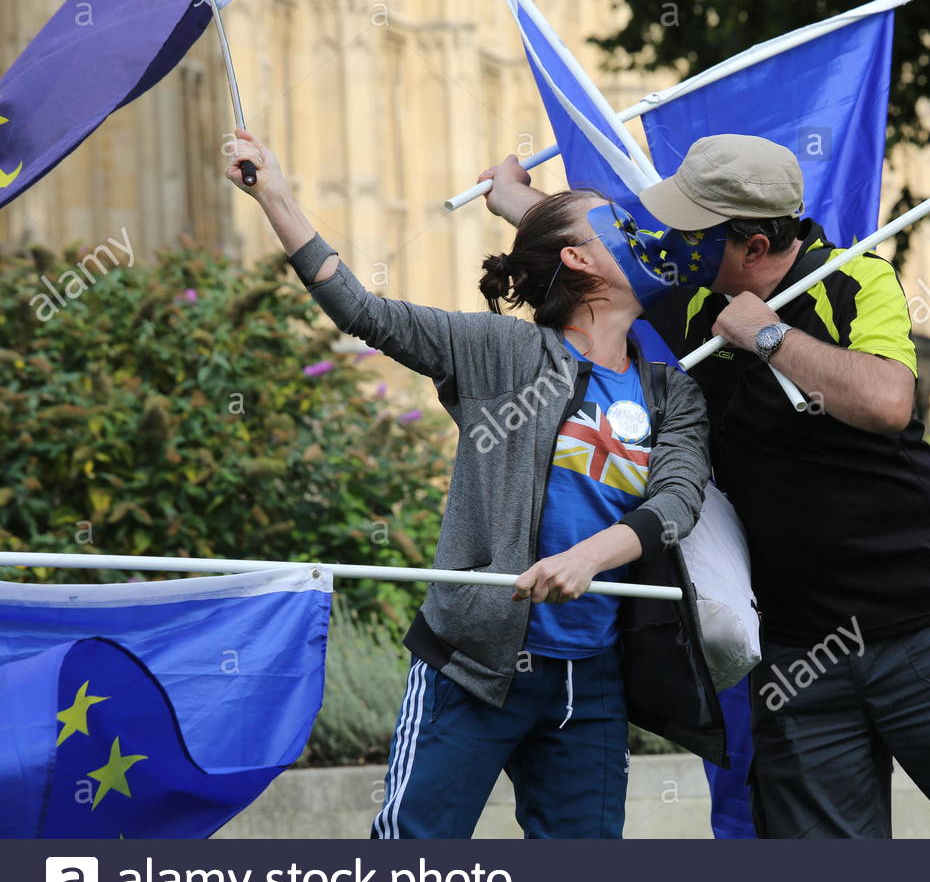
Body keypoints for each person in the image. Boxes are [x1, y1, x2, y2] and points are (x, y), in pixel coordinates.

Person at [482, 135, 930, 839]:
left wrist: (768, 337)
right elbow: (596, 240)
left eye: (692, 231)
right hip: (799, 661)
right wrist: (514, 201)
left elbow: (889, 400)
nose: (671, 243)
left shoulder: (856, 280)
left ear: (755, 245)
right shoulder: (688, 289)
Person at [224, 129, 720, 839]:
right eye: (617, 223)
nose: (639, 231)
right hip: (476, 662)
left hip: (593, 679)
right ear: (581, 261)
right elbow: (366, 313)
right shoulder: (506, 352)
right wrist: (274, 192)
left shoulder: (674, 391)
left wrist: (589, 558)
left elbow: (675, 503)